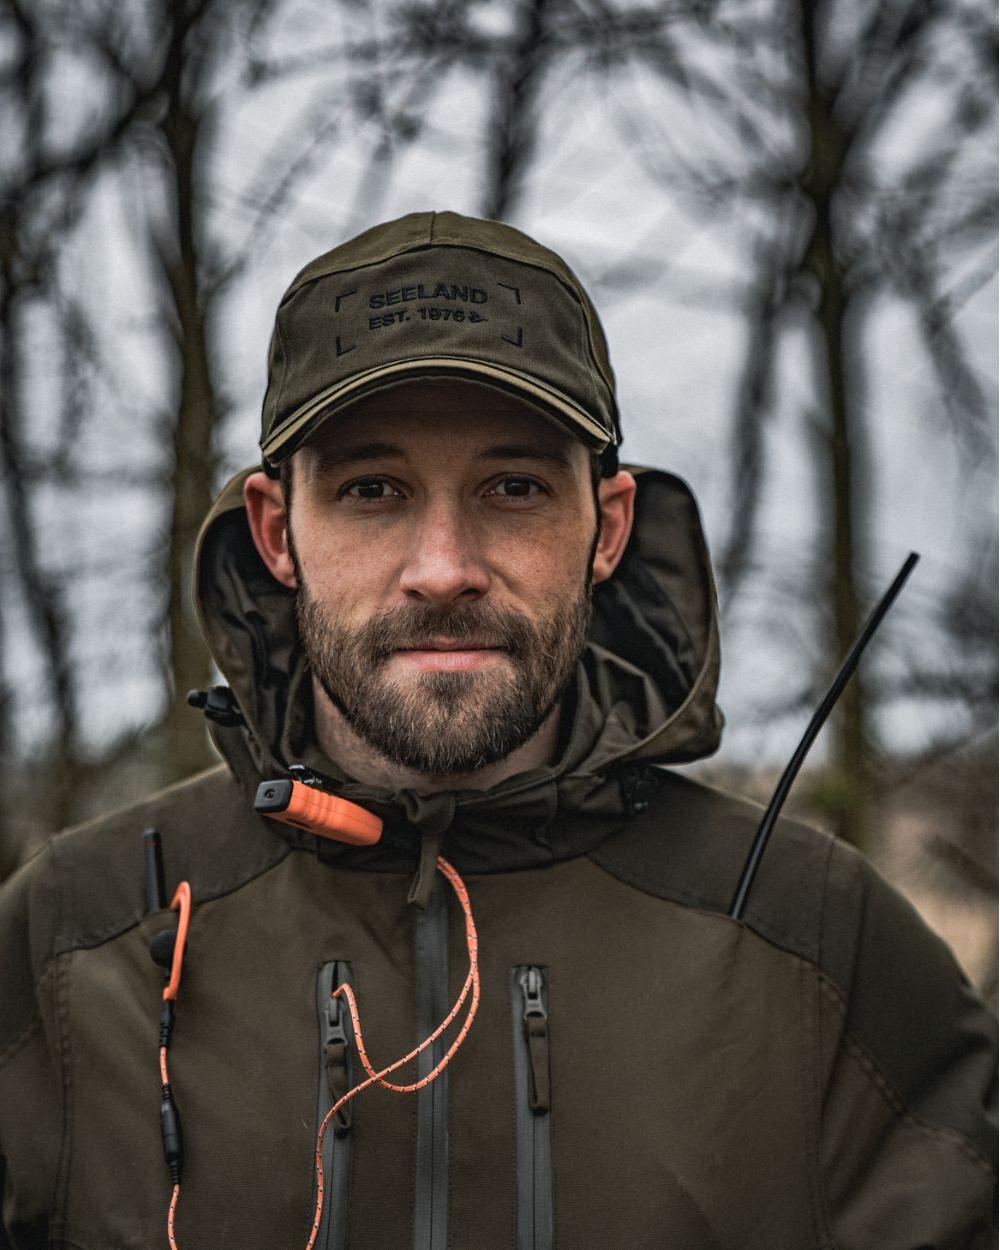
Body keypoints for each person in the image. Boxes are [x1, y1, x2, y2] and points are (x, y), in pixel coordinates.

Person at [0, 211, 994, 1250]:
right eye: (372, 490)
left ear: (606, 527)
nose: (443, 568)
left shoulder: (820, 947)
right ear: (276, 529)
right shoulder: (74, 944)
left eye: (514, 488)